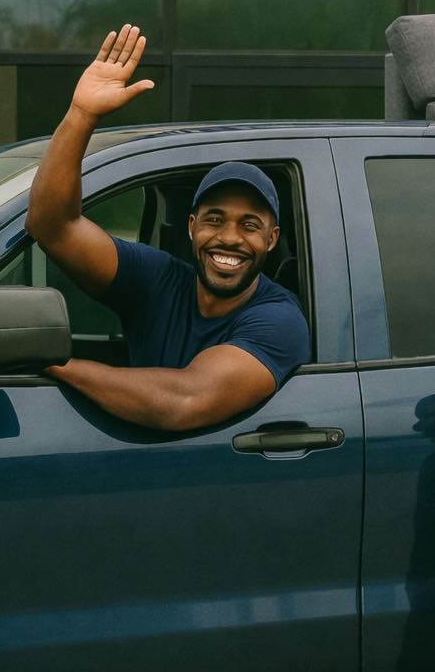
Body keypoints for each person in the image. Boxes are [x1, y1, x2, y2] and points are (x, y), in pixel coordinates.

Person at [25, 24, 310, 430]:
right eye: (215, 219)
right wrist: (81, 115)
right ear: (192, 227)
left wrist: (58, 366)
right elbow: (51, 226)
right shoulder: (157, 279)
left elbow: (185, 399)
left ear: (271, 238)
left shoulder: (279, 320)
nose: (229, 237)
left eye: (249, 225)